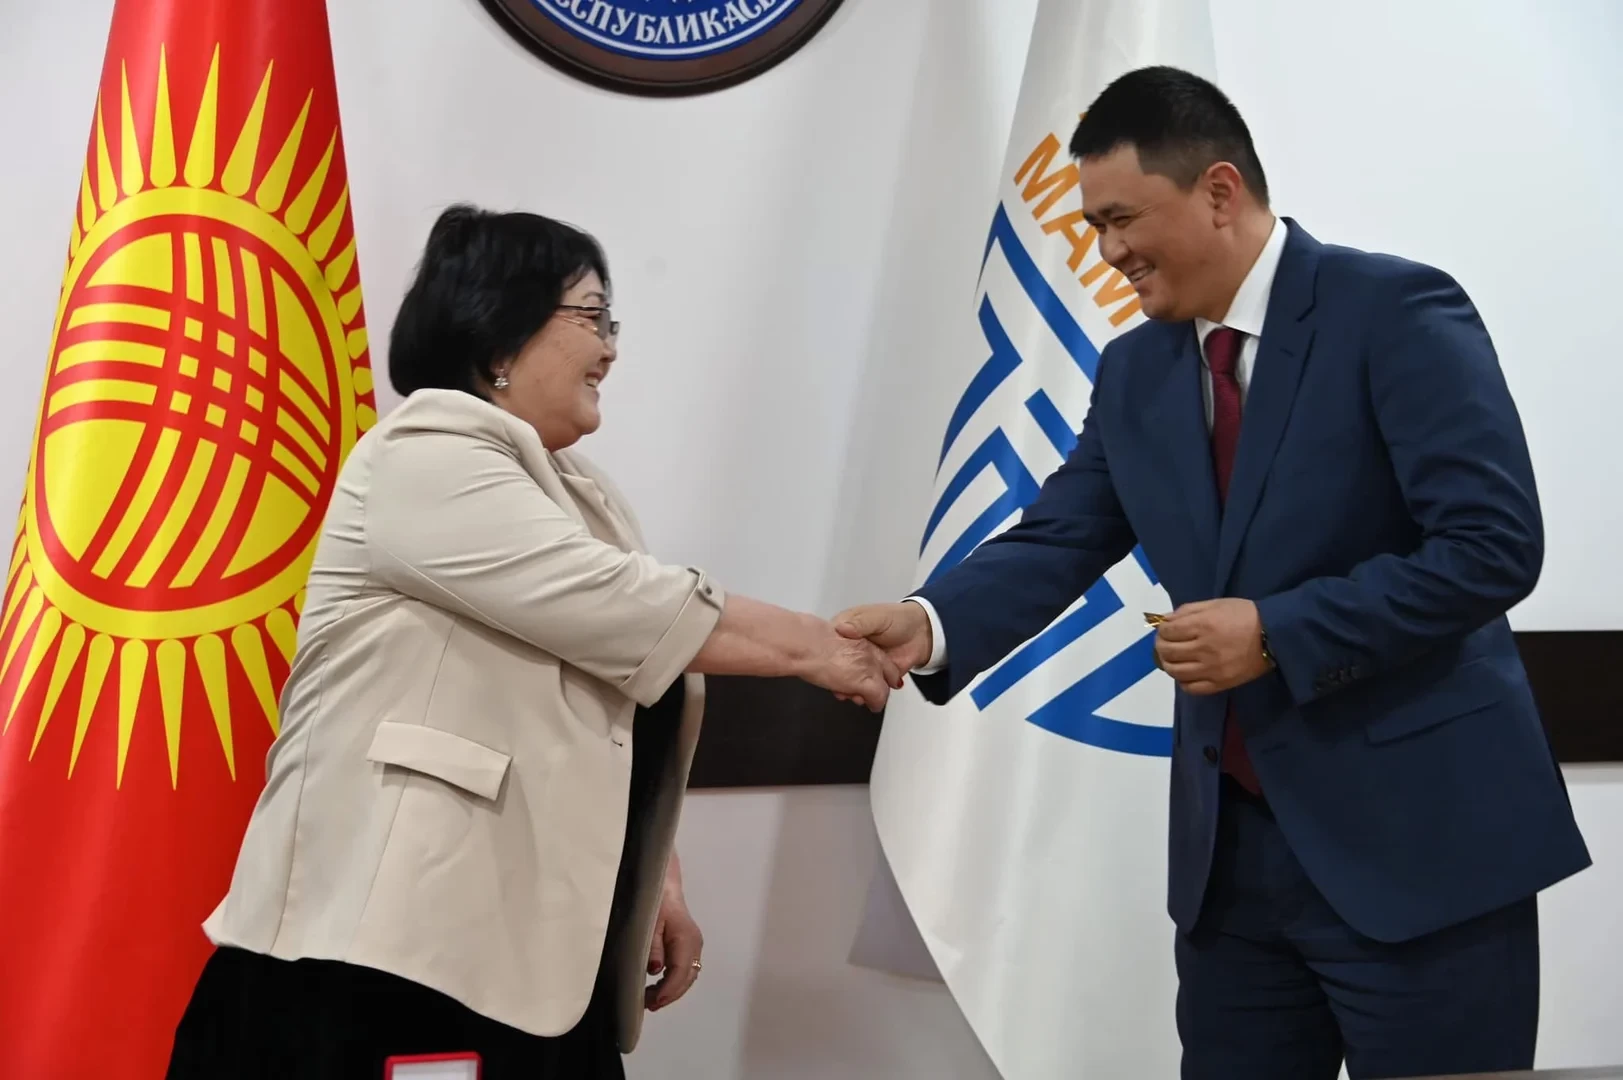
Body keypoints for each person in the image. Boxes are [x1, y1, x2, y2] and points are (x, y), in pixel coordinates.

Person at [836, 66, 1590, 1080]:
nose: (1106, 252)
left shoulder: (1395, 310)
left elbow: (1491, 546)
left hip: (1422, 854)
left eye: (1120, 220)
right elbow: (1061, 535)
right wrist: (929, 623)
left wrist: (1277, 633)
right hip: (1230, 875)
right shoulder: (1135, 367)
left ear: (1219, 191)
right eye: (1094, 226)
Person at [165, 204, 899, 1080]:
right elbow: (624, 607)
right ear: (497, 340)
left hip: (523, 960)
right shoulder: (424, 456)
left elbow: (601, 711)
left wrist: (653, 881)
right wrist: (821, 647)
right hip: (382, 956)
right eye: (591, 316)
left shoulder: (577, 491)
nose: (610, 349)